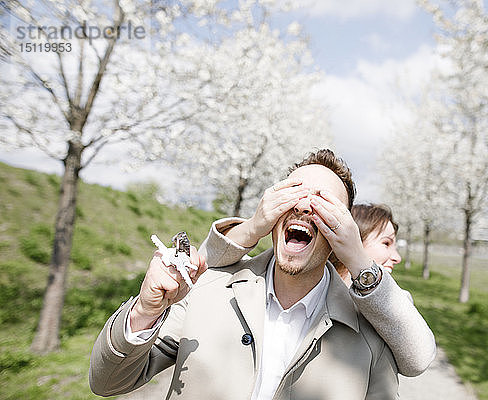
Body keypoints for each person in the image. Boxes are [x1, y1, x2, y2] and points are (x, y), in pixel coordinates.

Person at [89, 149, 401, 399]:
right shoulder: (207, 289)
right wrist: (146, 310)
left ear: (341, 233)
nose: (304, 208)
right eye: (292, 193)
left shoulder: (370, 334)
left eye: (323, 202)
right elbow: (107, 383)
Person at [203, 202, 435, 379]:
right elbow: (199, 271)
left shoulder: (387, 306)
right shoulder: (275, 285)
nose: (397, 256)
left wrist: (362, 267)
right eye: (386, 243)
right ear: (350, 238)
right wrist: (252, 227)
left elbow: (418, 359)